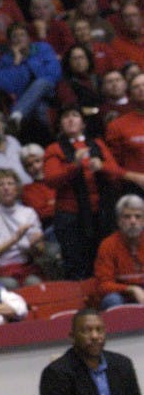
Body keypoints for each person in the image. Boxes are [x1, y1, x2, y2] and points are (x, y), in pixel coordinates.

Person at [43, 107, 122, 279]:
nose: (70, 120)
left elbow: (116, 173)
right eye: (66, 117)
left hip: (100, 213)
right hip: (71, 216)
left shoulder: (98, 144)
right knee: (76, 262)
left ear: (83, 123)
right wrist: (74, 166)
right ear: (60, 125)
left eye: (75, 116)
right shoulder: (54, 149)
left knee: (103, 258)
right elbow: (51, 180)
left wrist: (102, 167)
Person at [0, 169, 46, 288]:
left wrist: (34, 246)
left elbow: (40, 251)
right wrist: (14, 239)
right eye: (1, 184)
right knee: (11, 285)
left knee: (35, 284)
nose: (6, 188)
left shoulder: (29, 213)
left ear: (17, 189)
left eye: (10, 183)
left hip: (25, 266)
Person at [0, 23, 61, 138]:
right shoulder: (6, 59)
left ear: (29, 37)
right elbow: (7, 86)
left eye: (22, 35)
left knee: (41, 82)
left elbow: (53, 74)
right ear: (10, 41)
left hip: (49, 93)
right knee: (40, 109)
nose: (19, 39)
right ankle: (51, 140)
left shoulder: (43, 48)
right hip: (24, 98)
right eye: (15, 36)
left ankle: (15, 115)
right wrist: (16, 62)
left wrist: (28, 60)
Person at [93, 194, 144, 308]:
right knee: (112, 300)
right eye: (127, 217)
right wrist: (132, 289)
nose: (133, 221)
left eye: (138, 216)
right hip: (121, 294)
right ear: (119, 221)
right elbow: (103, 285)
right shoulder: (108, 245)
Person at [105, 72, 144, 194]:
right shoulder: (117, 125)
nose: (141, 89)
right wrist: (134, 177)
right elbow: (111, 165)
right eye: (136, 87)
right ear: (130, 94)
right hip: (135, 191)